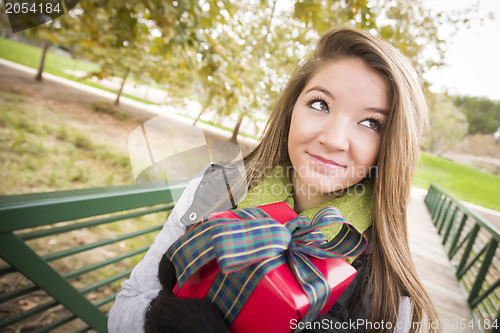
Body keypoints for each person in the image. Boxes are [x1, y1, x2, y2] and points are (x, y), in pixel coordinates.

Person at [108, 27, 439, 333]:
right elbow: (124, 307)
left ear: (391, 146)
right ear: (293, 108)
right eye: (320, 104)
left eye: (371, 123)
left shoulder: (387, 282)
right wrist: (158, 318)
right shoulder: (214, 190)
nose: (334, 139)